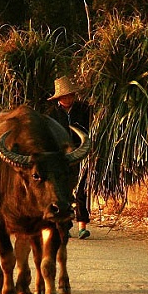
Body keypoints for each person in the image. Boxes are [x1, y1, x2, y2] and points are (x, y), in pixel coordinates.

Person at [46, 75, 93, 239]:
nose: (68, 98)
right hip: (61, 158)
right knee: (62, 191)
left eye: (71, 95)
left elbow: (91, 129)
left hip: (82, 154)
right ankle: (64, 224)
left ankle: (82, 225)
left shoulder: (85, 109)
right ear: (59, 98)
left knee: (81, 189)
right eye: (65, 96)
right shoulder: (52, 114)